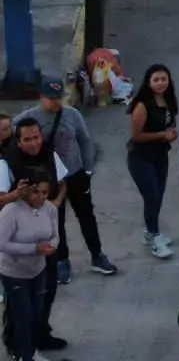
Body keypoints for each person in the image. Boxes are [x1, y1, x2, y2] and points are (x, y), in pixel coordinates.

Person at [17, 74, 115, 282]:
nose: (56, 102)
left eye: (59, 97)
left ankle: (97, 255)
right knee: (56, 221)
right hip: (50, 179)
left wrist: (88, 169)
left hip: (75, 173)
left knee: (87, 216)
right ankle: (63, 261)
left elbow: (85, 140)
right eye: (51, 98)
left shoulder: (72, 114)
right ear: (41, 97)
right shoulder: (29, 118)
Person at [0, 178, 59, 361]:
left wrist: (52, 247)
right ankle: (22, 354)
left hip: (37, 270)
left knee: (36, 313)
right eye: (36, 192)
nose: (40, 197)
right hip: (13, 272)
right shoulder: (11, 211)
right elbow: (2, 243)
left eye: (44, 193)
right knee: (23, 315)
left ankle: (30, 351)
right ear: (27, 191)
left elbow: (55, 235)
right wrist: (34, 249)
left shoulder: (49, 208)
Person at [124, 62, 178, 259]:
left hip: (160, 154)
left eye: (164, 79)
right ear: (149, 82)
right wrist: (162, 136)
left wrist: (171, 134)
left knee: (159, 193)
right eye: (156, 79)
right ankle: (154, 237)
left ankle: (151, 231)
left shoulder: (169, 100)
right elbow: (137, 135)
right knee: (152, 195)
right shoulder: (142, 105)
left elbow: (172, 122)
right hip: (141, 157)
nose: (161, 83)